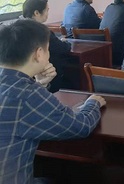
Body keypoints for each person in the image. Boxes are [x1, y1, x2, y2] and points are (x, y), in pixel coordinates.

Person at [0, 20, 105, 183]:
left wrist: (39, 84)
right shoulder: (27, 94)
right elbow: (80, 126)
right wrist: (93, 103)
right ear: (39, 53)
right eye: (48, 49)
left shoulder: (21, 90)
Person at [22, 0, 75, 92]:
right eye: (47, 10)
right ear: (36, 13)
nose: (47, 14)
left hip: (26, 76)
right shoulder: (42, 32)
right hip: (46, 75)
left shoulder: (18, 29)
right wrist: (65, 42)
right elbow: (63, 48)